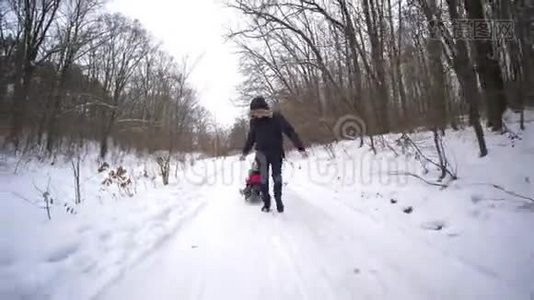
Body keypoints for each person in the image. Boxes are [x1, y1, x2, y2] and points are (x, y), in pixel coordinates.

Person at [240, 96, 307, 213]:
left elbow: (290, 131)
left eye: (259, 112)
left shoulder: (276, 118)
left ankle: (278, 199)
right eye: (254, 113)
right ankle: (266, 202)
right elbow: (251, 138)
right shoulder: (254, 122)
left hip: (276, 153)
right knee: (263, 180)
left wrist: (300, 147)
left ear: (264, 109)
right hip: (261, 154)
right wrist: (244, 153)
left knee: (277, 178)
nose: (257, 115)